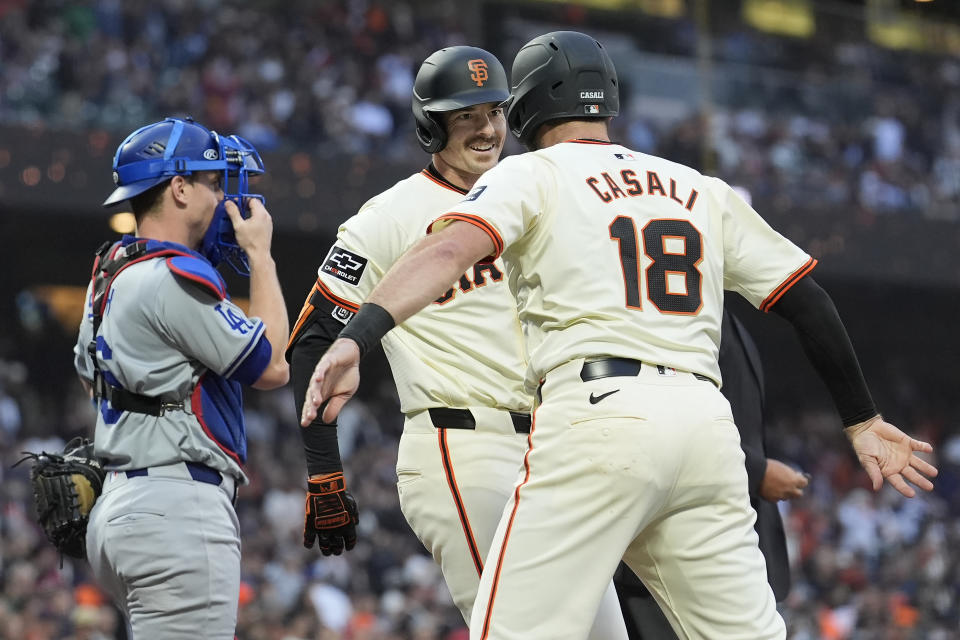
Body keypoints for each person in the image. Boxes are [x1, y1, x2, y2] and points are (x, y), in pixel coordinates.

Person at [300, 31, 937, 640]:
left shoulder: (532, 176)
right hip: (701, 427)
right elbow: (809, 301)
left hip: (594, 418)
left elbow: (446, 253)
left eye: (498, 109)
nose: (489, 128)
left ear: (525, 108)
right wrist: (861, 419)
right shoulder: (697, 186)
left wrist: (362, 335)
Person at [287, 46, 626, 636]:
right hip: (464, 447)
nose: (487, 128)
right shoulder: (390, 215)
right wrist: (323, 471)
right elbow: (314, 337)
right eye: (465, 115)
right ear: (431, 124)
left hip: (555, 449)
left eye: (494, 111)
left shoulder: (534, 196)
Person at [74, 117, 289, 638]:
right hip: (176, 509)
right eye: (213, 183)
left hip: (123, 510)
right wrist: (261, 256)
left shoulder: (110, 271)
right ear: (179, 188)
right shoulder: (172, 275)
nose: (223, 197)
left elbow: (90, 378)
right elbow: (272, 365)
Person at [613, 304, 809, 639]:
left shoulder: (716, 310)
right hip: (674, 543)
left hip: (718, 526)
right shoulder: (668, 310)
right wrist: (757, 471)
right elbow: (662, 413)